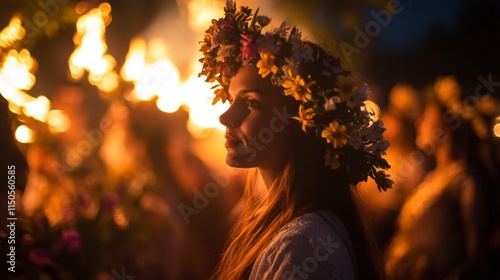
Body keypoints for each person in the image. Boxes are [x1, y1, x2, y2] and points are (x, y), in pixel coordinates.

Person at [198, 1, 393, 279]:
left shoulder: (302, 247)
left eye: (252, 103)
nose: (226, 117)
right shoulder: (275, 223)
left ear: (304, 120)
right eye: (231, 100)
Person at [383, 76, 499, 279]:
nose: (419, 123)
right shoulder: (434, 176)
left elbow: (476, 255)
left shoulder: (466, 180)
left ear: (447, 124)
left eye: (427, 117)